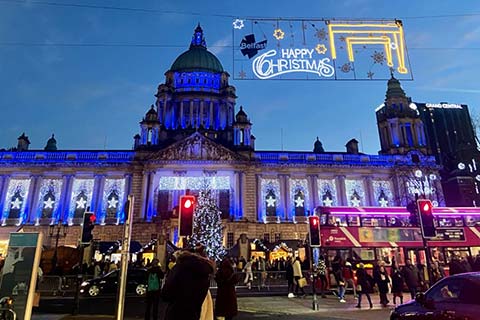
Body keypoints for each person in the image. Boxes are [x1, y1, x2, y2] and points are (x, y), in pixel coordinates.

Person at [162, 250, 214, 320]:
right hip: (194, 314)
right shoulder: (204, 272)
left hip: (176, 313)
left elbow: (166, 294)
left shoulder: (178, 268)